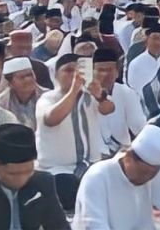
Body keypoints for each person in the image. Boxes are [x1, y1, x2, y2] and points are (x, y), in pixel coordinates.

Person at [72, 123, 160, 230]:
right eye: (143, 172)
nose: (147, 178)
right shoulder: (97, 177)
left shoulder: (156, 172)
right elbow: (93, 224)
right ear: (128, 157)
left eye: (152, 174)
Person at [35, 54, 112, 210]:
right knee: (66, 187)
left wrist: (100, 96)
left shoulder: (90, 96)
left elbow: (109, 109)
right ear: (56, 75)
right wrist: (73, 90)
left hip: (90, 166)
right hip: (58, 170)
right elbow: (51, 119)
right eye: (68, 70)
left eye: (79, 71)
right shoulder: (48, 98)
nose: (74, 75)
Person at [0, 57, 44, 129]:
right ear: (10, 83)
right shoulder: (0, 103)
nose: (28, 79)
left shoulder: (47, 96)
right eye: (22, 77)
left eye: (30, 75)